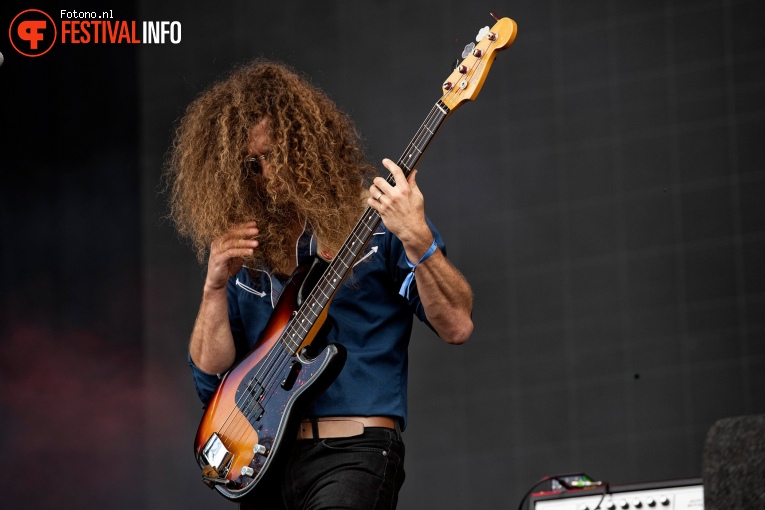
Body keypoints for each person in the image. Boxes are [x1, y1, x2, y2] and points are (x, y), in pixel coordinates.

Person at [165, 59, 473, 509]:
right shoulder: (244, 251)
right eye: (250, 165)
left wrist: (419, 238)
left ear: (305, 147)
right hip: (266, 464)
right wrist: (213, 290)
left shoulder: (377, 227)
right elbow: (212, 384)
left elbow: (457, 325)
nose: (266, 176)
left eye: (275, 156)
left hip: (351, 454)